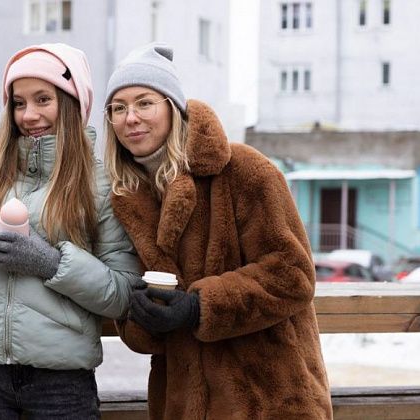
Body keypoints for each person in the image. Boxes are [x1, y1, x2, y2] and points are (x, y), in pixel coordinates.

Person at [104, 43, 332, 419]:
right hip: (184, 403)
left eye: (144, 103)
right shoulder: (129, 197)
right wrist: (142, 316)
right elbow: (139, 297)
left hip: (269, 397)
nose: (131, 117)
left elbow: (292, 274)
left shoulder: (244, 169)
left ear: (173, 108)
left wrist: (199, 307)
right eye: (119, 108)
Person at [0, 43, 142, 419]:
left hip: (61, 386)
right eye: (19, 103)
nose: (29, 115)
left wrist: (50, 263)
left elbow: (123, 293)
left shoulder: (103, 180)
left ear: (72, 102)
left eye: (43, 99)